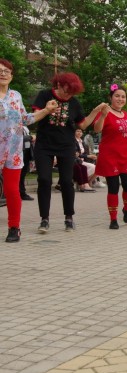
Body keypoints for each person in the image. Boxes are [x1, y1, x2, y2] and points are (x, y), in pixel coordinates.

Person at [32, 72, 105, 233]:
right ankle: (44, 219)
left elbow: (83, 125)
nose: (69, 95)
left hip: (66, 146)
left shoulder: (74, 102)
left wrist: (95, 112)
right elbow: (34, 117)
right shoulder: (44, 95)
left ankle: (69, 217)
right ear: (58, 85)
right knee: (44, 179)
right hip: (44, 144)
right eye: (66, 91)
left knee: (66, 181)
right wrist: (46, 110)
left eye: (72, 92)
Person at [0, 58, 59, 242]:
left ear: (11, 75)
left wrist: (46, 111)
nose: (3, 73)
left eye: (6, 71)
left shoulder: (15, 96)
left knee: (11, 190)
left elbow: (26, 119)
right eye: (0, 70)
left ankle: (14, 227)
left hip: (13, 151)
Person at [93, 84, 127, 229]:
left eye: (123, 97)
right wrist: (102, 115)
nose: (120, 99)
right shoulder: (105, 112)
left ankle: (126, 209)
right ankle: (113, 219)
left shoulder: (126, 114)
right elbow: (97, 129)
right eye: (117, 96)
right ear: (111, 98)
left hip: (126, 155)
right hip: (110, 155)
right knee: (113, 188)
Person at [19, 126, 34, 201]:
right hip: (20, 153)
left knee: (23, 175)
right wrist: (30, 137)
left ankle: (22, 192)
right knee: (20, 175)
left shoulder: (25, 127)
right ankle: (21, 193)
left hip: (27, 153)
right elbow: (20, 138)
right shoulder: (14, 126)